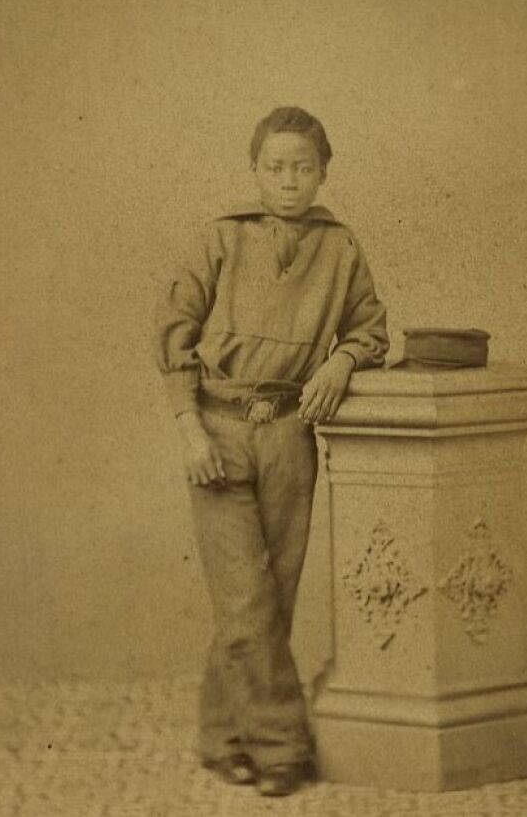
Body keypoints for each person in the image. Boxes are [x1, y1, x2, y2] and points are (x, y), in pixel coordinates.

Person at [153, 106, 388, 796]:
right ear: (255, 170)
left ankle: (221, 735)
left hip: (290, 433)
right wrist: (190, 428)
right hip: (219, 432)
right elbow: (173, 331)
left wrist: (340, 363)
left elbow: (370, 329)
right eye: (275, 166)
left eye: (303, 167)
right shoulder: (220, 238)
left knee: (269, 597)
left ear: (324, 170)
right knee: (246, 597)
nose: (289, 181)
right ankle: (282, 747)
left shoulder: (341, 247)